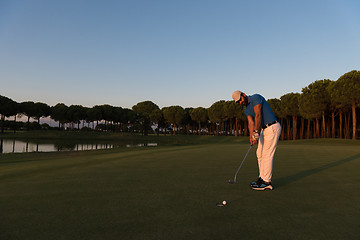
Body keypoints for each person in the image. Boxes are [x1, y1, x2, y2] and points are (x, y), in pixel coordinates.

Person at [232, 90, 281, 190]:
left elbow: (258, 115)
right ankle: (262, 178)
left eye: (240, 100)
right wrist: (251, 136)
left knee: (267, 154)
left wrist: (255, 133)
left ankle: (267, 182)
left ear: (244, 95)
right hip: (263, 130)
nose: (240, 102)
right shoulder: (246, 109)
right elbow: (251, 122)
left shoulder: (256, 98)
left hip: (272, 127)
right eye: (238, 102)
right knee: (259, 153)